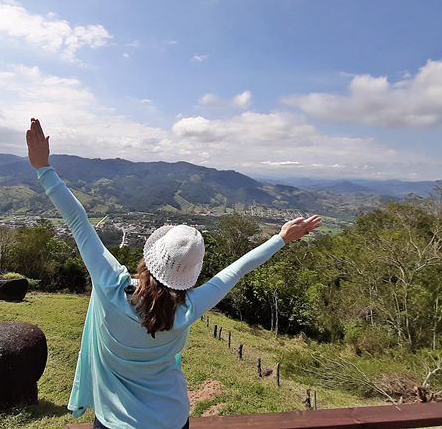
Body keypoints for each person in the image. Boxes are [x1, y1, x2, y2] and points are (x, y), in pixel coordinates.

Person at [26, 118, 321, 429]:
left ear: (151, 254)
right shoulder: (189, 307)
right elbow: (237, 271)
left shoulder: (112, 285)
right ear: (191, 273)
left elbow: (78, 222)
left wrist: (44, 168)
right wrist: (281, 238)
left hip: (115, 421)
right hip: (172, 418)